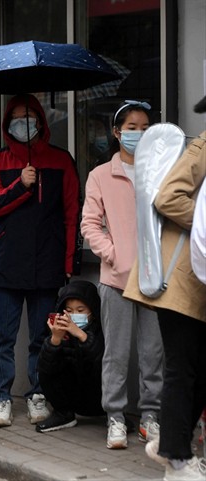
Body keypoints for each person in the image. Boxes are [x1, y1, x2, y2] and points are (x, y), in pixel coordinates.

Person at [0, 93, 80, 428]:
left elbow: (71, 214)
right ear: (8, 123)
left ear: (41, 121)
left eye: (30, 117)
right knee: (1, 337)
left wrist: (68, 261)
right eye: (16, 117)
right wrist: (21, 185)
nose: (23, 123)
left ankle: (39, 394)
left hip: (47, 262)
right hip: (6, 261)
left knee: (43, 335)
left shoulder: (61, 160)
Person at [124, 95, 206, 481]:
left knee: (196, 369)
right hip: (177, 278)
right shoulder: (205, 146)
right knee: (183, 368)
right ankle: (176, 459)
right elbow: (168, 197)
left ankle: (171, 444)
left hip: (194, 280)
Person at [81, 100, 163, 450]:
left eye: (145, 127)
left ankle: (150, 417)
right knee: (116, 353)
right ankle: (115, 417)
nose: (138, 134)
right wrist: (114, 255)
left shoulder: (161, 173)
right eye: (131, 127)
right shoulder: (101, 174)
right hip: (116, 279)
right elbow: (90, 224)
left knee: (153, 352)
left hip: (156, 279)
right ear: (117, 132)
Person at [36, 280, 105, 433]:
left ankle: (116, 416)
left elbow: (100, 360)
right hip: (71, 397)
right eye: (69, 310)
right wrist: (55, 339)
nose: (74, 315)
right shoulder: (60, 330)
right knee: (48, 362)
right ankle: (63, 413)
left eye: (80, 310)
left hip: (99, 400)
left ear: (92, 311)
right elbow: (45, 367)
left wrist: (81, 335)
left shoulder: (102, 329)